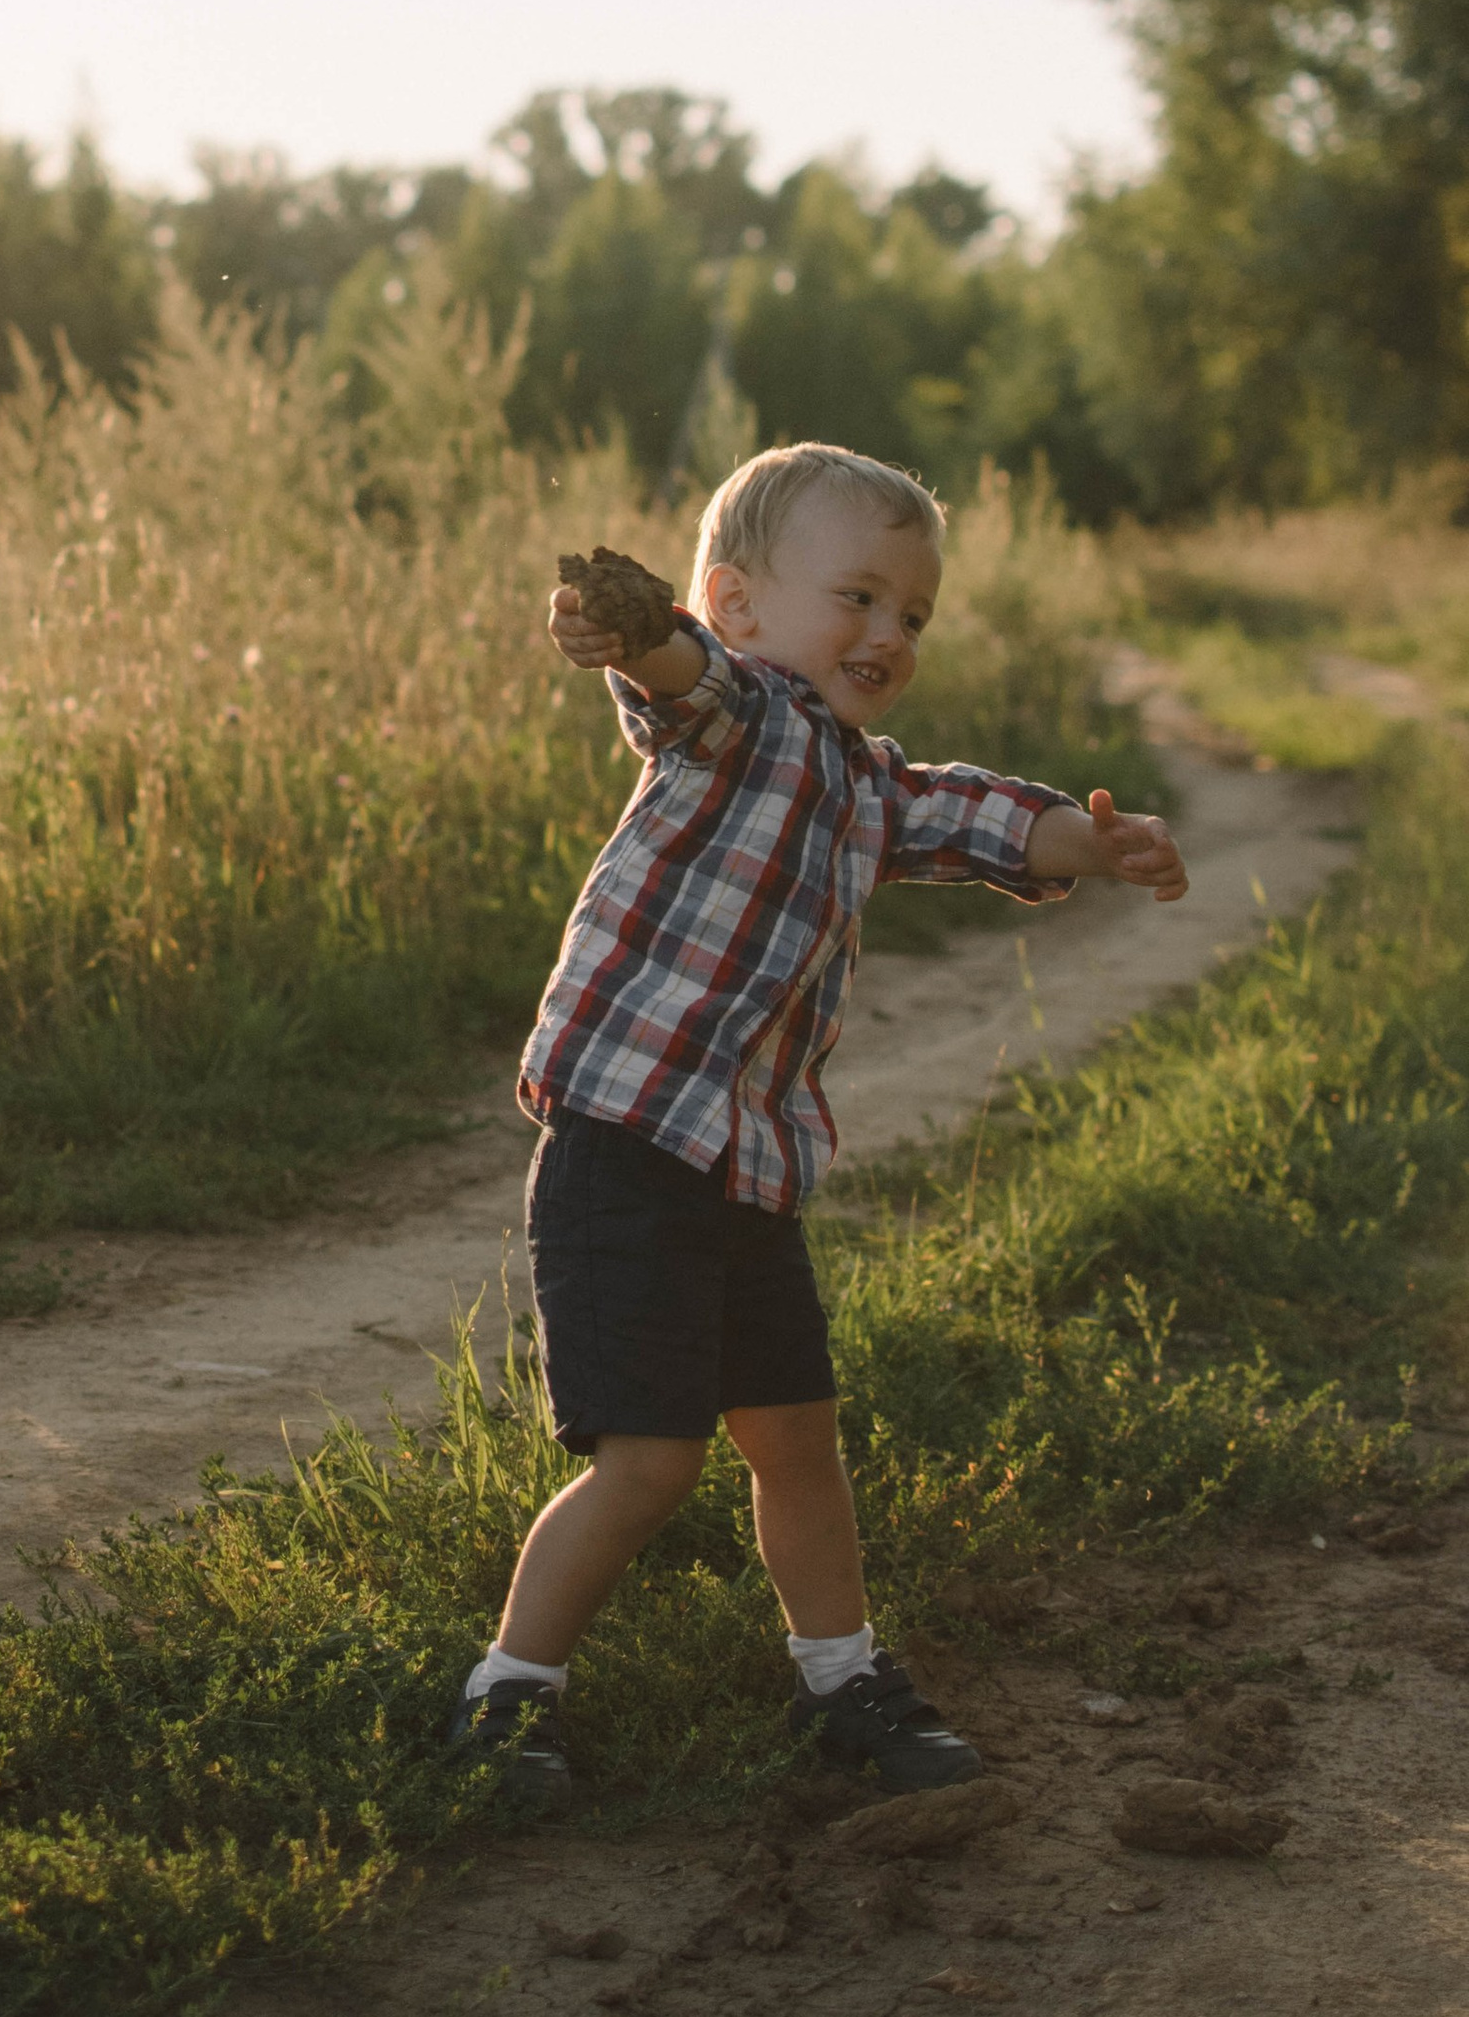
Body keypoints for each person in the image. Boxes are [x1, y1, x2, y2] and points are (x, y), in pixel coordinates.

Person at [450, 441, 1189, 1802]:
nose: (889, 633)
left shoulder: (865, 781)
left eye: (913, 614)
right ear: (737, 604)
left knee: (798, 1444)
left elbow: (981, 819)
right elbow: (675, 680)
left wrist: (1102, 841)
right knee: (653, 1459)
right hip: (628, 1152)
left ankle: (843, 1676)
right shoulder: (737, 719)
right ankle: (509, 1693)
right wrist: (633, 630)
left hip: (747, 1171)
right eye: (856, 596)